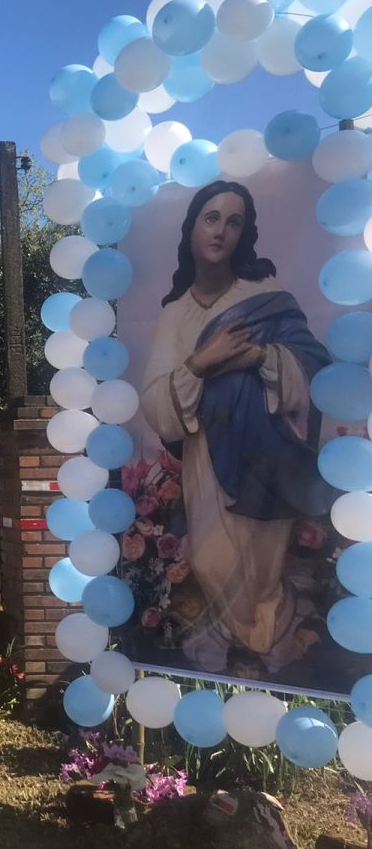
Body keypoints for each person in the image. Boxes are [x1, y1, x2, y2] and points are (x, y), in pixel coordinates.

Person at [138, 180, 334, 676]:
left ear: (244, 234)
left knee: (264, 571)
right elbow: (156, 402)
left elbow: (314, 366)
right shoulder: (175, 313)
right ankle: (260, 649)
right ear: (192, 227)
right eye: (211, 217)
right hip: (207, 458)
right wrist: (202, 363)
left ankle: (270, 659)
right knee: (209, 559)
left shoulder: (265, 296)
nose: (221, 230)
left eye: (234, 221)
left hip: (264, 459)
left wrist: (262, 357)